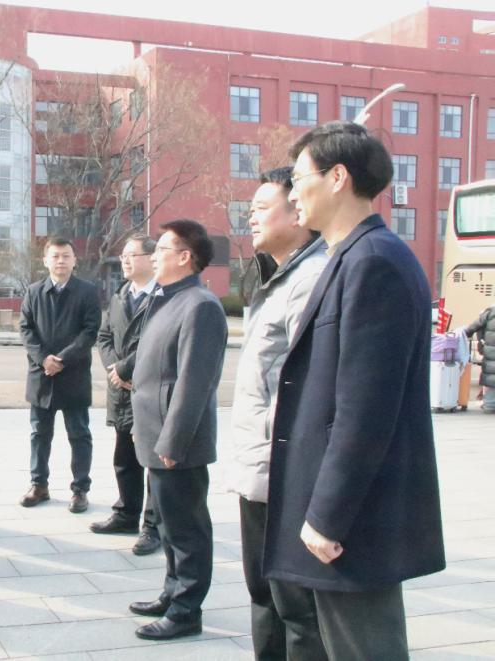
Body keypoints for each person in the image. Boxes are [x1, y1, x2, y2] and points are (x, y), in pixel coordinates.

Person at [264, 121, 445, 660]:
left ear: (338, 177)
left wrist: (327, 515)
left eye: (300, 180)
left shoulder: (374, 263)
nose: (293, 195)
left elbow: (366, 408)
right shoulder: (350, 256)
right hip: (342, 509)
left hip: (354, 518)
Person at [230, 168, 328, 660]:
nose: (251, 217)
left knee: (295, 608)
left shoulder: (311, 279)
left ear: (298, 213)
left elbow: (309, 387)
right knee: (263, 595)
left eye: (261, 208)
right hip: (260, 468)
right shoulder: (278, 278)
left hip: (284, 472)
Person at [128, 219, 227, 641]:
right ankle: (172, 593)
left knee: (187, 531)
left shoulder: (200, 305)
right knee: (168, 526)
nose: (153, 257)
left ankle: (187, 611)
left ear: (185, 257)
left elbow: (194, 382)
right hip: (157, 436)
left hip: (177, 443)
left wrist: (173, 440)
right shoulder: (168, 299)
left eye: (162, 250)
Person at [19, 237, 101, 513]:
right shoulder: (33, 292)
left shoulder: (87, 292)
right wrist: (44, 359)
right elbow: (26, 330)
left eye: (66, 256)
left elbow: (90, 332)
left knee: (79, 434)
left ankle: (80, 490)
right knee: (39, 434)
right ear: (45, 260)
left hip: (73, 375)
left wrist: (62, 359)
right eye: (55, 256)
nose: (61, 261)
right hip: (41, 375)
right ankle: (38, 485)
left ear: (75, 260)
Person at [92, 233, 162, 555]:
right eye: (123, 255)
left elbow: (156, 343)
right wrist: (114, 369)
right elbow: (104, 336)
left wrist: (126, 370)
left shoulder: (162, 297)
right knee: (124, 457)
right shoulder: (120, 295)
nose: (125, 260)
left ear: (151, 258)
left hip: (149, 390)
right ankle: (126, 514)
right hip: (121, 390)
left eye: (132, 254)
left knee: (153, 462)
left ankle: (153, 527)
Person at [462, 303, 495, 412]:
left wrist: (464, 333)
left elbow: (473, 327)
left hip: (491, 354)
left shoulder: (491, 311)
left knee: (491, 377)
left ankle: (490, 405)